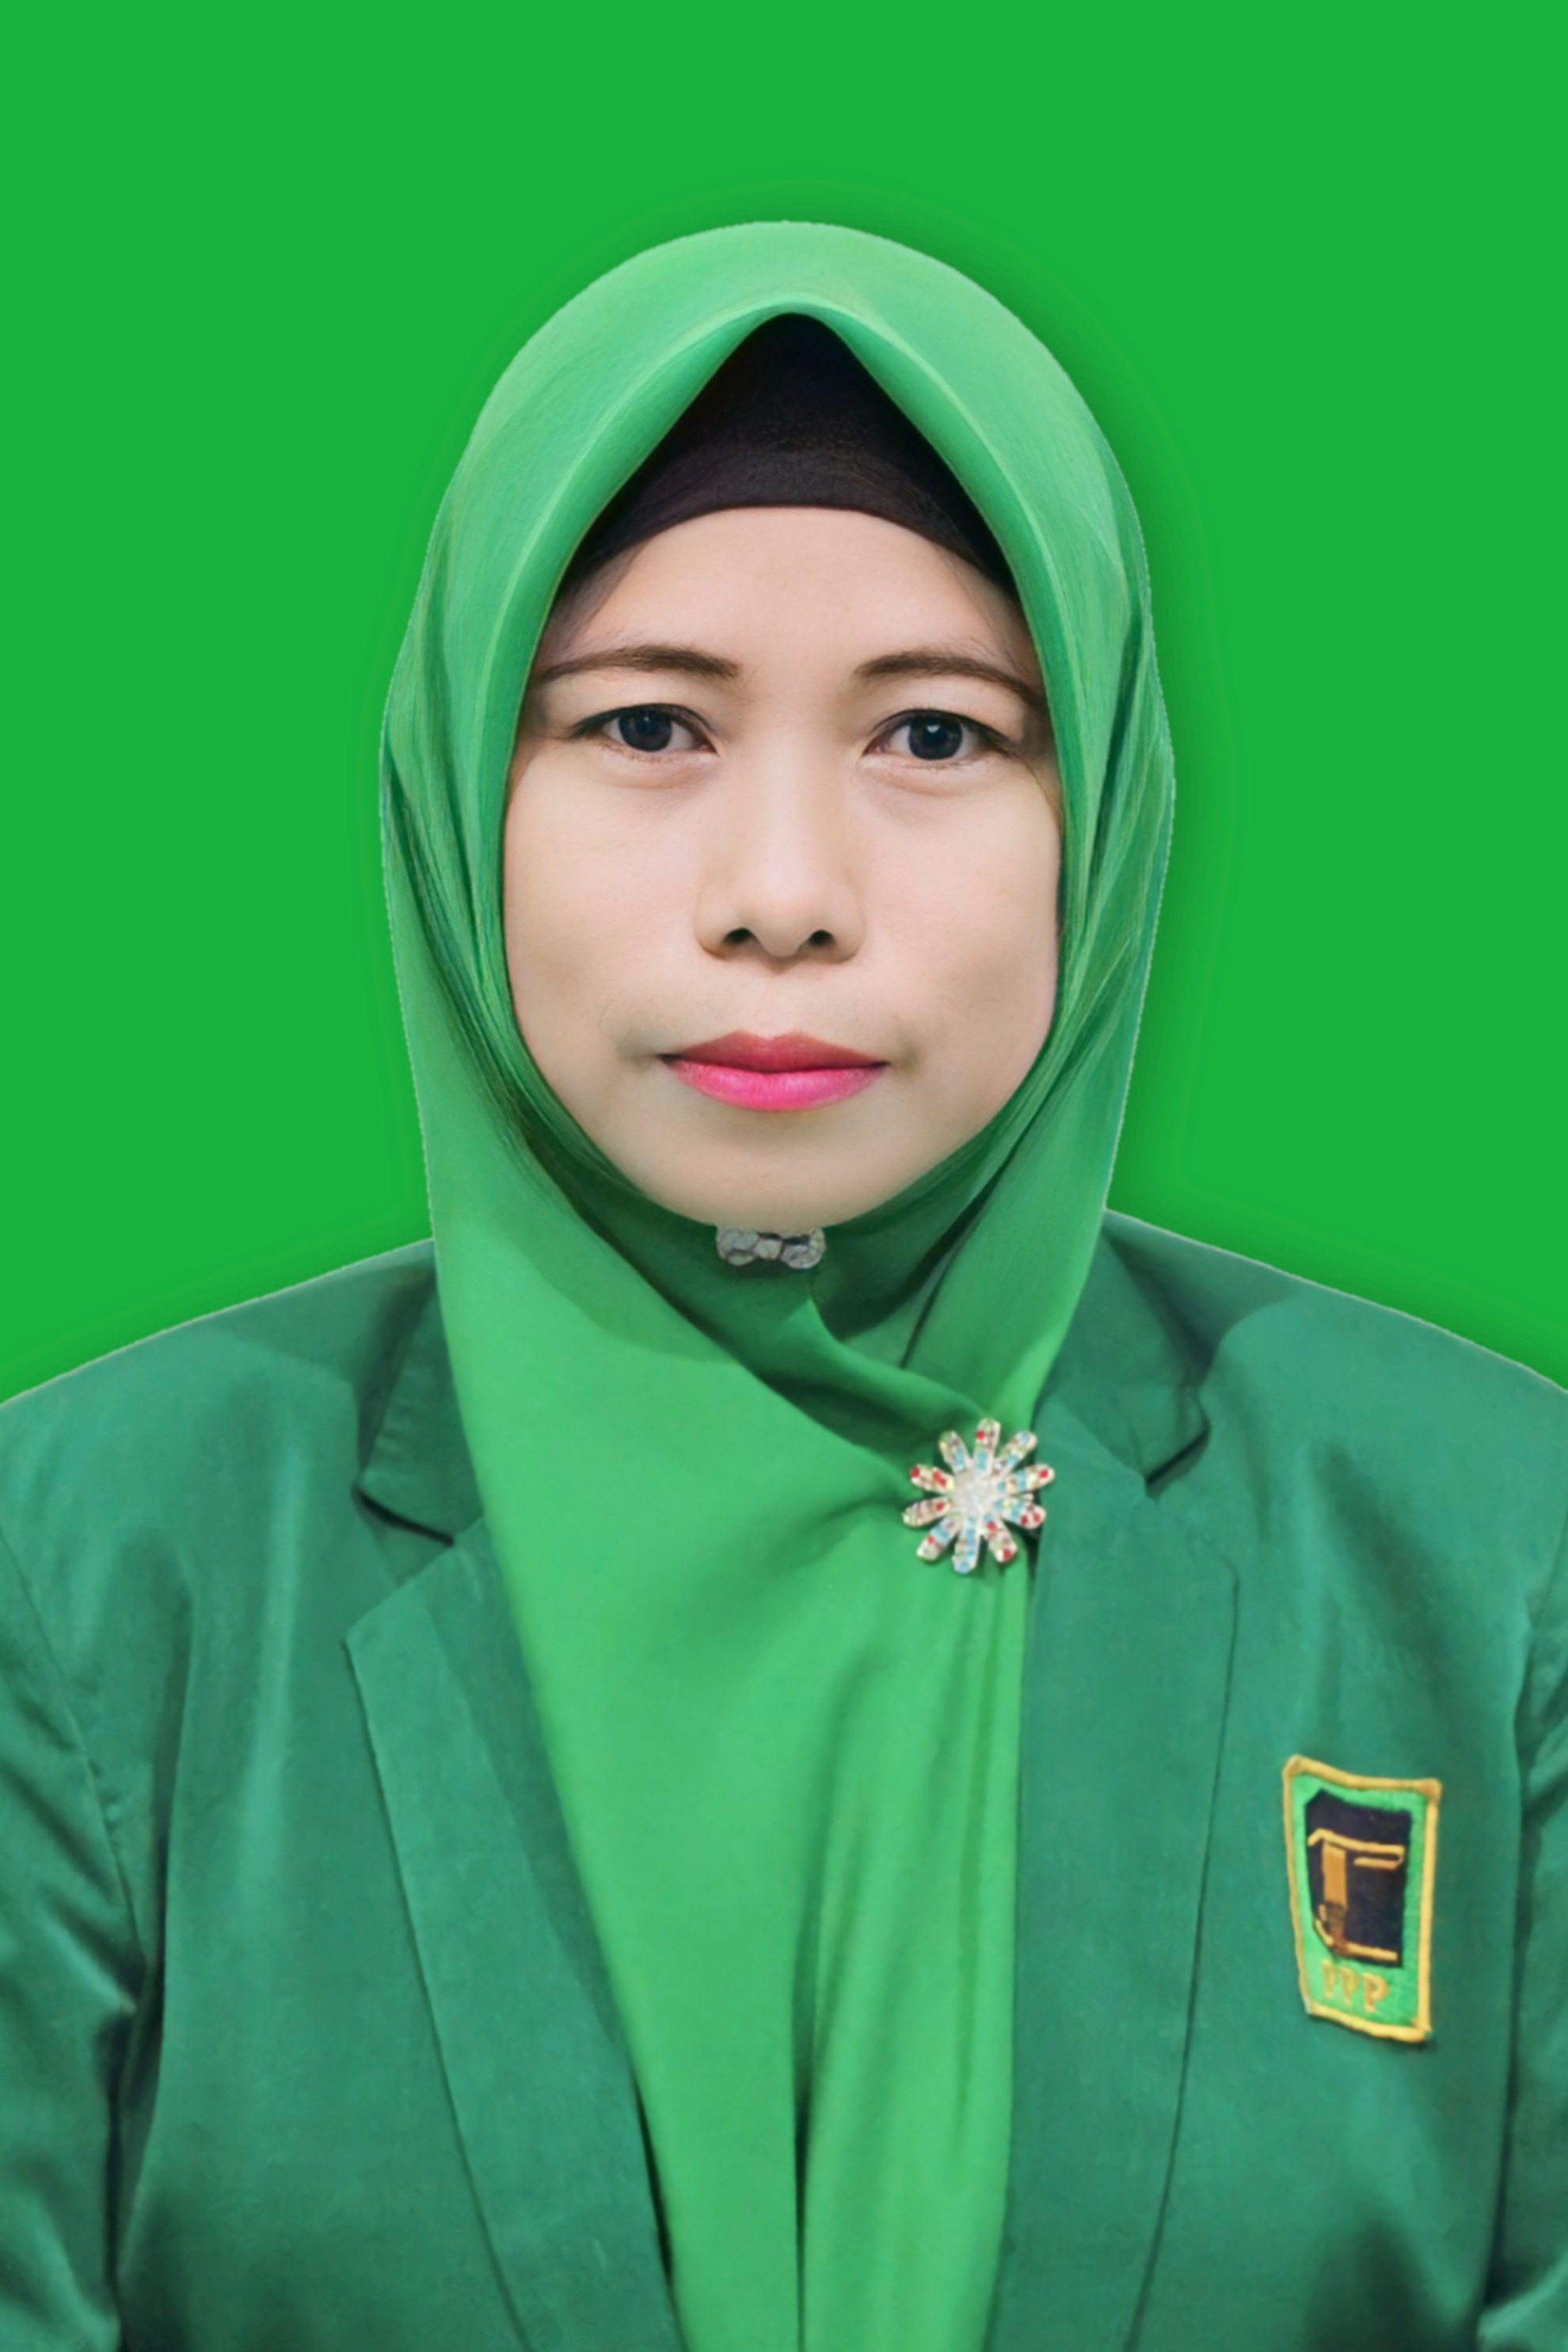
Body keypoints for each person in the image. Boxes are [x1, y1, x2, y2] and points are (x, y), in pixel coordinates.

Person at [0, 223, 1562, 2352]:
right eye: (647, 724)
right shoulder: (86, 1569)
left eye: (935, 735)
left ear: (1101, 810)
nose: (783, 896)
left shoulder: (1491, 1550)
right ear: (461, 786)